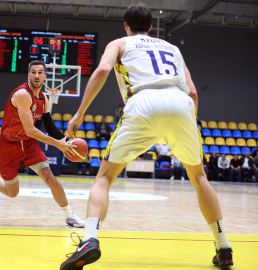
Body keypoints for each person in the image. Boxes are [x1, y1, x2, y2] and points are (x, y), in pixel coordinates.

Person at [62, 4, 233, 269]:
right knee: (199, 177)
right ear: (151, 27)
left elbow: (102, 71)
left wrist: (80, 113)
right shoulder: (173, 49)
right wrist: (184, 124)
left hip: (143, 103)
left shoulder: (120, 43)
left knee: (105, 177)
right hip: (181, 104)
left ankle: (90, 240)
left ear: (126, 25)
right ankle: (223, 247)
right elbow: (194, 93)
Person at [0, 60, 85, 228]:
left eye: (40, 72)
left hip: (28, 144)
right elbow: (30, 129)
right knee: (12, 193)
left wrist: (67, 142)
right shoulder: (22, 94)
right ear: (28, 75)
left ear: (45, 76)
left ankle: (70, 216)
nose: (37, 75)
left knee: (51, 180)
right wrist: (57, 145)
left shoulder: (43, 98)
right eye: (33, 72)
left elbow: (49, 126)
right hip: (9, 145)